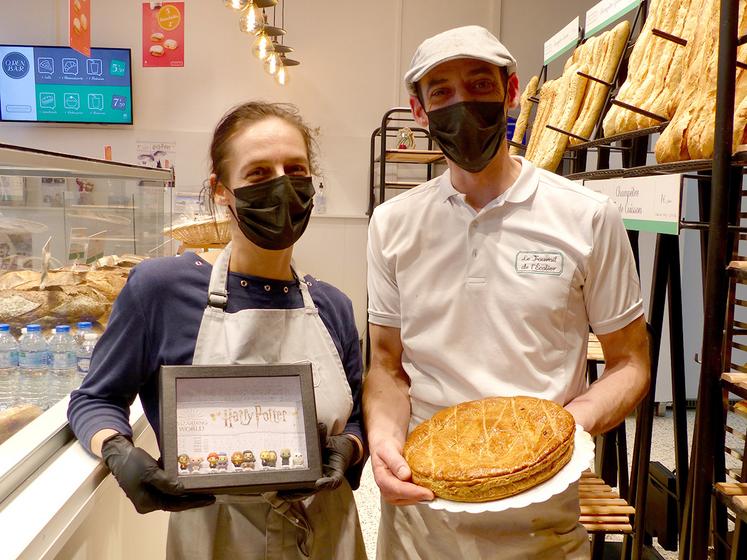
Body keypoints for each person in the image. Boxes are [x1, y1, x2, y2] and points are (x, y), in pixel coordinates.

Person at [364, 25, 650, 559]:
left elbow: (630, 362)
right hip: (422, 525)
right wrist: (383, 441)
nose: (463, 104)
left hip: (542, 525)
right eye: (442, 93)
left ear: (512, 91)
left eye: (479, 85)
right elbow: (386, 364)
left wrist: (565, 428)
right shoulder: (392, 224)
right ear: (419, 111)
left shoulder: (586, 217)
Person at [68, 102, 367, 560]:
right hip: (215, 538)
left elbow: (359, 416)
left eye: (296, 169)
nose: (282, 185)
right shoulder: (160, 290)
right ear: (221, 190)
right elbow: (95, 398)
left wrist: (349, 446)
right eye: (259, 173)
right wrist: (119, 453)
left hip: (329, 533)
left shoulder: (332, 307)